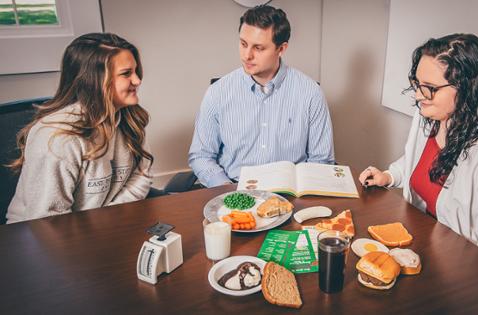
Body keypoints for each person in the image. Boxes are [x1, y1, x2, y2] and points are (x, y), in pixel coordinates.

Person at [358, 34, 478, 291]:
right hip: (435, 257)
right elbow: (417, 160)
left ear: (467, 87)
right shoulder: (431, 115)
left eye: (429, 87)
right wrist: (390, 175)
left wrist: (443, 255)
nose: (419, 95)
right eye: (417, 83)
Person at [6, 33, 153, 224]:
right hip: (41, 238)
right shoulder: (57, 137)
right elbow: (48, 220)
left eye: (135, 71)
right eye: (126, 73)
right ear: (95, 80)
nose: (137, 80)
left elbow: (142, 175)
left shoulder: (130, 118)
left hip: (108, 227)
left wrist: (110, 219)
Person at [188, 5, 334, 187]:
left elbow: (321, 161)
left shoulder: (311, 93)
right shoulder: (218, 92)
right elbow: (201, 156)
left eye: (258, 48)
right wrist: (228, 191)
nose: (247, 55)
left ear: (281, 49)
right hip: (232, 189)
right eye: (243, 44)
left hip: (290, 194)